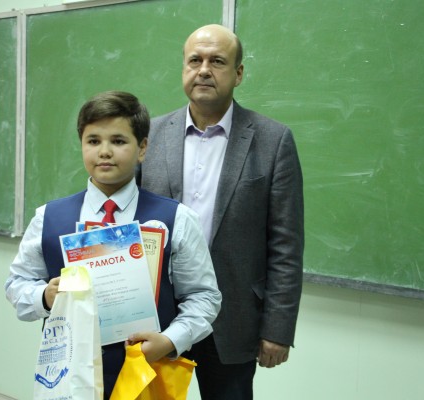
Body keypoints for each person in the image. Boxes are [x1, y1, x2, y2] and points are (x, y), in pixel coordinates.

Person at [5, 90, 221, 398]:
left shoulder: (177, 219)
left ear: (142, 148)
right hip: (68, 379)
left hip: (146, 376)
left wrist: (170, 340)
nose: (104, 152)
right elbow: (16, 284)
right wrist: (45, 296)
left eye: (118, 141)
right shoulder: (48, 218)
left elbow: (204, 297)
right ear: (82, 145)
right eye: (93, 141)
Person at [139, 24, 304, 399]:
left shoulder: (273, 140)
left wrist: (277, 329)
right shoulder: (150, 135)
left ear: (238, 73)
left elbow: (286, 245)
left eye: (217, 61)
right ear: (183, 68)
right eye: (194, 60)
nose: (203, 70)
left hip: (233, 321)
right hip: (158, 317)